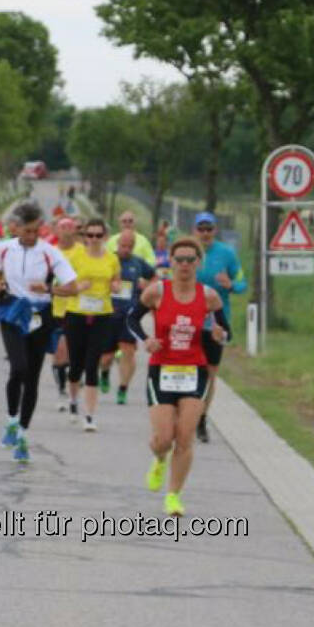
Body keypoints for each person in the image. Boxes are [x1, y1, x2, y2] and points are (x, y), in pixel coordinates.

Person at [126, 237, 227, 516]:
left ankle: (173, 496)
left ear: (198, 263)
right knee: (163, 438)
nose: (184, 264)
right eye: (179, 259)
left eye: (190, 260)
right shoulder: (157, 292)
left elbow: (224, 330)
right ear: (170, 262)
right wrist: (146, 339)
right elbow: (131, 319)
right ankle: (159, 459)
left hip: (194, 371)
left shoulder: (209, 296)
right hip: (162, 370)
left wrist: (220, 335)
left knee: (184, 437)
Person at [0, 201, 77, 463]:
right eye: (25, 231)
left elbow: (72, 287)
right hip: (13, 311)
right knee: (18, 367)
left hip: (40, 314)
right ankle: (11, 420)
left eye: (34, 231)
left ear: (40, 228)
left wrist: (49, 290)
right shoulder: (4, 249)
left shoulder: (50, 253)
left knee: (33, 376)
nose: (30, 236)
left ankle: (23, 435)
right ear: (16, 228)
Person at [192, 211, 245, 443]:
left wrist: (231, 284)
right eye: (201, 229)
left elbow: (243, 284)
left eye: (209, 229)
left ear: (215, 231)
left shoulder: (227, 253)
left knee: (210, 374)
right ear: (195, 231)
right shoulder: (188, 252)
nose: (205, 234)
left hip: (215, 323)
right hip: (189, 320)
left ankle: (202, 419)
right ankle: (186, 414)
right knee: (188, 371)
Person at [63, 218, 120, 432]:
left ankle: (89, 415)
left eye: (98, 235)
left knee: (92, 364)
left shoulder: (112, 259)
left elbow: (117, 280)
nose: (94, 239)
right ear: (84, 236)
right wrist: (78, 286)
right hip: (76, 313)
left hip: (101, 315)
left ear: (105, 237)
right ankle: (73, 401)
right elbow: (63, 285)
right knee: (76, 363)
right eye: (90, 235)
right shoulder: (76, 256)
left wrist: (114, 285)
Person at [108, 229, 156, 404]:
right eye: (123, 245)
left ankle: (123, 388)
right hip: (108, 313)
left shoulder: (138, 263)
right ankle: (104, 372)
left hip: (129, 315)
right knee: (105, 357)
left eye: (130, 246)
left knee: (128, 352)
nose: (126, 249)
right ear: (117, 244)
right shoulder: (109, 259)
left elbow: (154, 277)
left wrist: (147, 287)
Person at [51, 216, 84, 413]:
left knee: (75, 353)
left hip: (78, 307)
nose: (66, 231)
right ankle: (62, 391)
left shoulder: (82, 252)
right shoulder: (51, 252)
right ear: (56, 231)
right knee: (60, 353)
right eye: (62, 227)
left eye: (70, 227)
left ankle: (72, 384)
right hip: (55, 308)